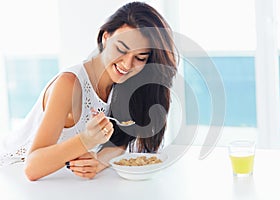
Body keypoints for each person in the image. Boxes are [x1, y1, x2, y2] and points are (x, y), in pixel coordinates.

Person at [0, 1, 177, 181]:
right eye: (121, 49)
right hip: (11, 173)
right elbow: (32, 168)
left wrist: (98, 162)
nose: (127, 64)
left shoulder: (126, 84)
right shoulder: (70, 84)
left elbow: (120, 141)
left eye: (140, 57)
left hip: (55, 181)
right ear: (106, 38)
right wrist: (86, 140)